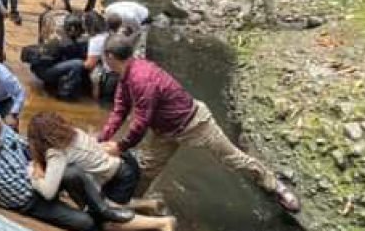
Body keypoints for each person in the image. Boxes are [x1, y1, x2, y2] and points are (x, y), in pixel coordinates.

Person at [98, 35, 301, 212]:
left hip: (195, 123)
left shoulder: (141, 78)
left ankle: (276, 186)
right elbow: (120, 109)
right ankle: (128, 204)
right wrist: (102, 137)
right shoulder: (126, 77)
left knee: (234, 159)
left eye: (104, 56)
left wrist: (120, 145)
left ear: (110, 56)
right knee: (147, 170)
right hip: (164, 131)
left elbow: (141, 122)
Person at [0, 112, 175, 231]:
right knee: (89, 224)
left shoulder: (8, 137)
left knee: (74, 174)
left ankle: (107, 210)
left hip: (41, 183)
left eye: (1, 131)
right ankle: (121, 209)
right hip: (30, 202)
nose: (2, 137)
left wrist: (36, 167)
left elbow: (27, 144)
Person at [27, 111, 165, 215]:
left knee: (109, 217)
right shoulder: (74, 132)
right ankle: (151, 205)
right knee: (106, 203)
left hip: (119, 178)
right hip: (124, 164)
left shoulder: (56, 153)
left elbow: (48, 192)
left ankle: (154, 213)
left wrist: (34, 175)